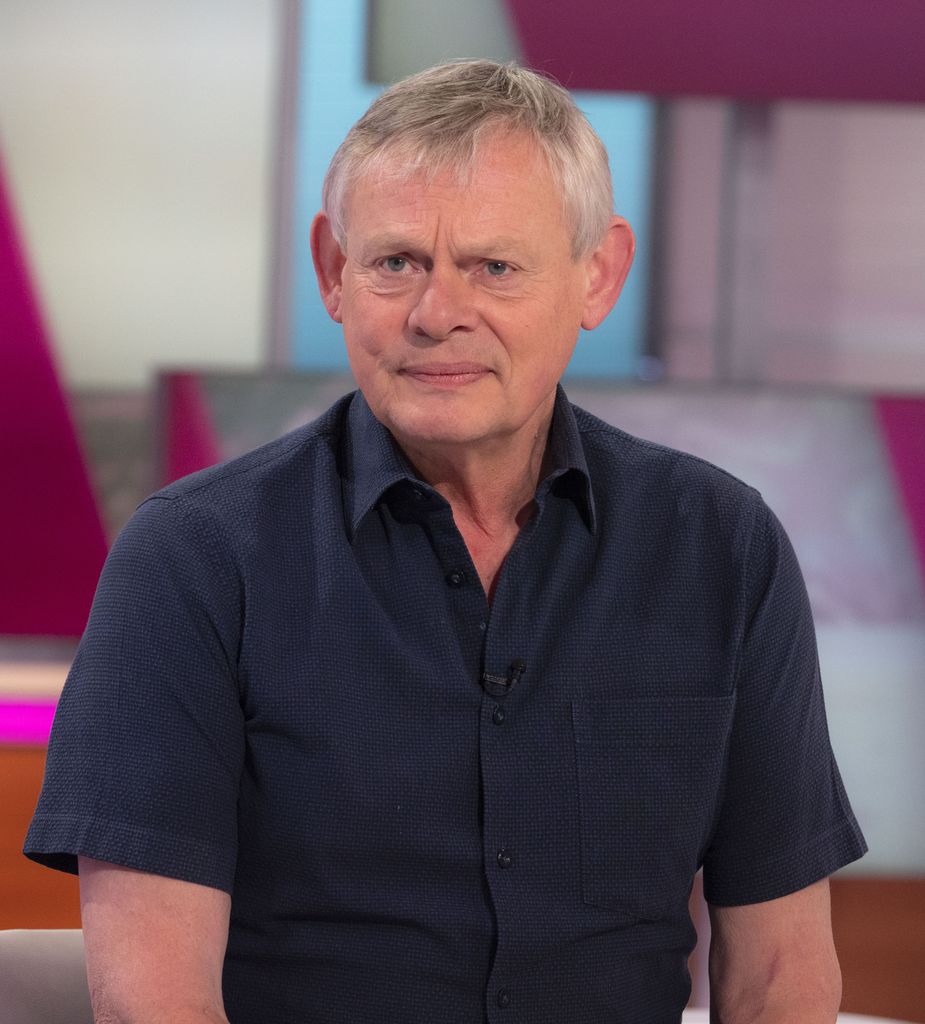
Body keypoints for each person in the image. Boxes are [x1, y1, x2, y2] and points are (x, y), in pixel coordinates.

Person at [26, 60, 866, 1023]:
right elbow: (152, 1004)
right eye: (396, 263)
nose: (436, 315)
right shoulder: (193, 560)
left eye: (493, 267)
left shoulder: (722, 547)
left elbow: (780, 978)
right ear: (333, 271)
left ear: (596, 275)